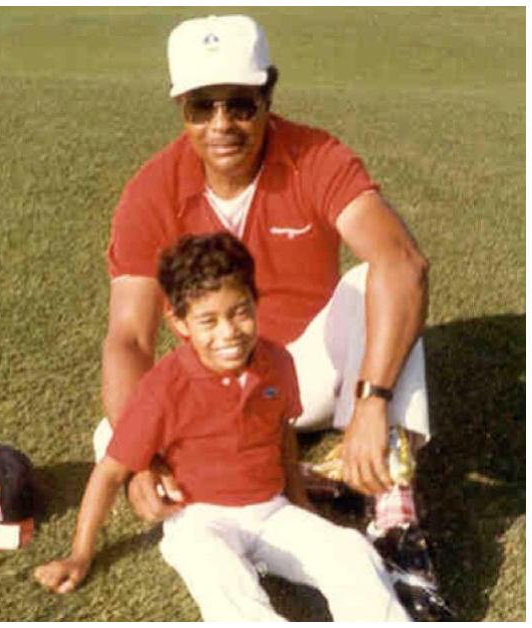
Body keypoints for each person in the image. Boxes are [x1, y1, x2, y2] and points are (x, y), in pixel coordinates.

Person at [95, 14, 449, 619]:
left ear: (269, 95)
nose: (221, 125)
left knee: (376, 281)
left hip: (305, 369)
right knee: (112, 437)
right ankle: (271, 485)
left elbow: (403, 262)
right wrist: (143, 462)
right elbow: (128, 337)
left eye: (239, 104)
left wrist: (372, 400)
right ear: (181, 107)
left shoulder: (314, 154)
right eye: (201, 107)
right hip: (214, 387)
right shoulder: (151, 188)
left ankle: (393, 517)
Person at [37, 233, 409, 621]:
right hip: (200, 521)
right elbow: (110, 473)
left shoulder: (277, 363)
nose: (229, 332)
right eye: (208, 321)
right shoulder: (164, 388)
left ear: (255, 302)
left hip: (271, 511)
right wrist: (80, 555)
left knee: (351, 553)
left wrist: (300, 503)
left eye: (240, 312)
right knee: (224, 582)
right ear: (180, 322)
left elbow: (282, 434)